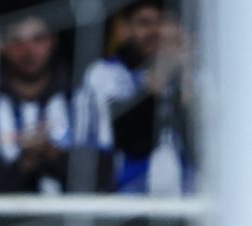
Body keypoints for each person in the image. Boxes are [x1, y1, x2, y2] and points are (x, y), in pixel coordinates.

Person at [0, 14, 115, 195]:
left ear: (52, 42)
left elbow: (102, 177)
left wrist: (52, 153)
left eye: (38, 39)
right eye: (16, 41)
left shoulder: (84, 103)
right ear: (2, 46)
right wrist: (26, 161)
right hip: (7, 213)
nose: (28, 51)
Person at [80, 0, 193, 194]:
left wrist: (187, 73)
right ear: (124, 29)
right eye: (144, 23)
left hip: (185, 194)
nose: (154, 31)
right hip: (125, 194)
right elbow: (131, 138)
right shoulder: (104, 73)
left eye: (161, 23)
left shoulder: (183, 71)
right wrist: (161, 73)